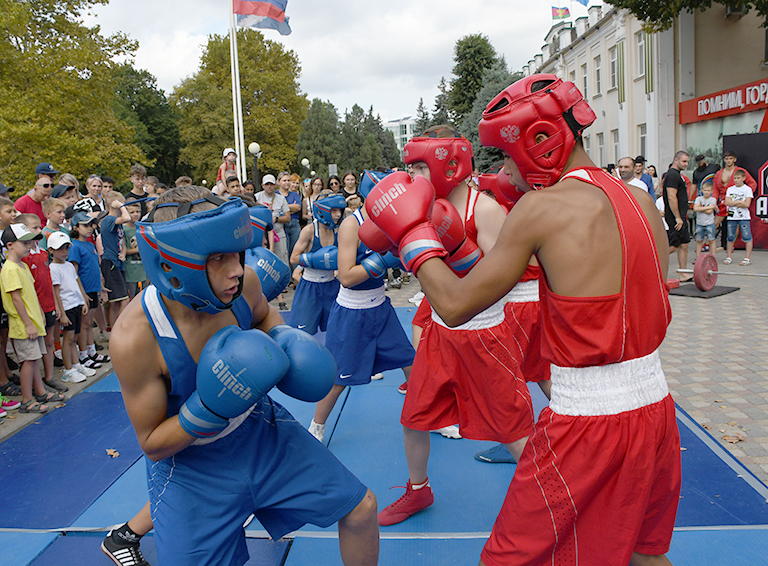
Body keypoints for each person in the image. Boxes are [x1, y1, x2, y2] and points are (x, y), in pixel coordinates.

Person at [366, 74, 680, 565]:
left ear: (541, 142)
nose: (507, 172)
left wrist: (413, 236)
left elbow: (451, 305)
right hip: (656, 407)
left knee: (507, 559)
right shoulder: (639, 199)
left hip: (588, 421)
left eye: (509, 155)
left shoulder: (540, 208)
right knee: (642, 552)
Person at [109, 185, 378, 566]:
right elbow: (151, 442)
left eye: (235, 252)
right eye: (218, 257)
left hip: (260, 432)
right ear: (172, 264)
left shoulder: (243, 284)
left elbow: (264, 314)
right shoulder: (135, 337)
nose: (236, 268)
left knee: (361, 508)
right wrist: (210, 407)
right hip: (190, 468)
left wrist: (282, 338)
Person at [373, 127, 535, 526]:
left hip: (485, 334)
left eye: (420, 166)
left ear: (448, 164)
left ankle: (549, 496)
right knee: (414, 417)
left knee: (514, 430)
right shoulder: (422, 207)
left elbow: (505, 278)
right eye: (412, 167)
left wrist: (466, 257)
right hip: (441, 333)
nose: (416, 175)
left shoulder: (485, 210)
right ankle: (417, 490)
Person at [308, 180, 415, 443]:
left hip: (381, 308)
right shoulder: (351, 225)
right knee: (339, 379)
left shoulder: (390, 219)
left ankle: (427, 417)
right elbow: (345, 276)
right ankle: (316, 428)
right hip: (352, 311)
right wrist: (379, 262)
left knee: (412, 365)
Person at [0, 223, 65, 413]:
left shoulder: (22, 266)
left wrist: (39, 316)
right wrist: (28, 323)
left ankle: (40, 392)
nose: (29, 246)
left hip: (34, 321)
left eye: (30, 243)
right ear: (10, 244)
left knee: (34, 359)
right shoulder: (10, 269)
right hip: (23, 324)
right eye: (24, 243)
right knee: (28, 361)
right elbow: (16, 299)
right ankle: (27, 399)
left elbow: (30, 295)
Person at [16, 214, 63, 392]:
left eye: (38, 227)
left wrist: (56, 305)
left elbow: (49, 281)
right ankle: (38, 382)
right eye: (34, 228)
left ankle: (50, 377)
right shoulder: (24, 258)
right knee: (36, 348)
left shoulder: (42, 253)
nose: (39, 231)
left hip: (49, 304)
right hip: (36, 308)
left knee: (49, 341)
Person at [289, 191, 345, 334]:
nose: (338, 215)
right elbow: (294, 258)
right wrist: (314, 260)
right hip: (309, 286)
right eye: (334, 211)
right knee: (302, 334)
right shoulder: (309, 230)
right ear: (323, 210)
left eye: (340, 210)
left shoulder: (339, 231)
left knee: (336, 330)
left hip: (331, 285)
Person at [48, 232, 91, 384]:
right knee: (68, 339)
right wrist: (63, 313)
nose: (64, 252)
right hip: (67, 307)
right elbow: (57, 292)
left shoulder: (69, 266)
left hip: (76, 305)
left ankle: (76, 364)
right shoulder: (53, 268)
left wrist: (83, 301)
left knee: (74, 338)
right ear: (51, 250)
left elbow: (75, 284)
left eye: (66, 248)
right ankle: (68, 370)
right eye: (60, 248)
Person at [68, 212, 106, 371]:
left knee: (90, 323)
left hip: (93, 288)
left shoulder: (90, 245)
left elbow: (94, 267)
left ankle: (92, 350)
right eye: (85, 225)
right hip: (84, 290)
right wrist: (82, 294)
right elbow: (74, 272)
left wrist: (101, 284)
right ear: (76, 227)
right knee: (84, 324)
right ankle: (83, 353)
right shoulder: (74, 246)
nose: (90, 228)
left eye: (91, 225)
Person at [713, 151, 757, 249]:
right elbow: (715, 189)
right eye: (727, 159)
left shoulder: (741, 171)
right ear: (724, 160)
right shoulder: (719, 173)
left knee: (735, 224)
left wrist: (745, 196)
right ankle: (708, 243)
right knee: (714, 223)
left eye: (730, 158)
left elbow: (752, 184)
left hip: (736, 203)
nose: (728, 161)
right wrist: (713, 201)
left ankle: (731, 246)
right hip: (724, 202)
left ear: (734, 159)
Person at [100, 191, 131, 326]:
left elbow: (122, 242)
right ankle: (118, 327)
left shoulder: (117, 224)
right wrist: (121, 206)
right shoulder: (108, 220)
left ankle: (113, 328)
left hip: (118, 263)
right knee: (124, 300)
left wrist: (123, 253)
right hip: (110, 263)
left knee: (117, 302)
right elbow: (127, 218)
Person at [663, 151, 693, 282]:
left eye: (687, 162)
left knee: (684, 244)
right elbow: (671, 196)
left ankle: (683, 274)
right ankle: (649, 265)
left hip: (681, 217)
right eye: (684, 161)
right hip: (676, 218)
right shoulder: (672, 175)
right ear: (676, 160)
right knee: (673, 246)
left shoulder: (678, 175)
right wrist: (677, 217)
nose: (686, 164)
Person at [724, 169, 754, 266]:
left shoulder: (747, 189)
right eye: (735, 178)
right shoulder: (730, 189)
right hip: (732, 217)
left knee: (747, 236)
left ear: (743, 178)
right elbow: (727, 202)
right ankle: (728, 257)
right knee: (730, 237)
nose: (736, 180)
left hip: (743, 217)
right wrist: (740, 202)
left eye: (738, 178)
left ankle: (747, 258)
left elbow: (747, 204)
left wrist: (734, 203)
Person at [277, 172, 302, 270]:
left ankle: (296, 276)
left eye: (288, 180)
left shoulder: (294, 195)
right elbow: (276, 210)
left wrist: (283, 208)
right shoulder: (276, 195)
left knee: (296, 251)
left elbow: (298, 207)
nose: (287, 183)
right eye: (284, 180)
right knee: (283, 251)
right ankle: (288, 277)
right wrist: (291, 207)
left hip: (294, 224)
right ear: (279, 182)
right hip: (281, 225)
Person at [123, 200, 147, 298]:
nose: (135, 214)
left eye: (138, 211)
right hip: (130, 273)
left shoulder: (142, 228)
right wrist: (139, 250)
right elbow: (124, 251)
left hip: (143, 272)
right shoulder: (123, 229)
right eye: (132, 212)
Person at [693, 175, 717, 259]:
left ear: (711, 191)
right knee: (699, 240)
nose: (706, 192)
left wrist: (701, 208)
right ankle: (698, 257)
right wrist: (709, 207)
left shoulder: (713, 199)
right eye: (705, 190)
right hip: (700, 223)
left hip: (709, 223)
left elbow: (710, 211)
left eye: (708, 191)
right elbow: (696, 208)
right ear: (702, 190)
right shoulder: (698, 198)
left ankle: (713, 257)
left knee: (712, 240)